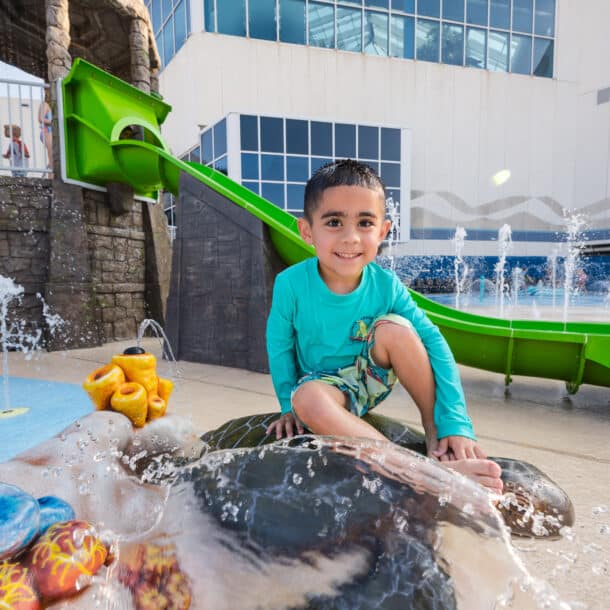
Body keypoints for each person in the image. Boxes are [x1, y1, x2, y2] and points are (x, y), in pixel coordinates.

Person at [266, 160, 502, 492]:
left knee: (398, 329)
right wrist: (286, 405)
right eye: (334, 222)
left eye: (365, 223)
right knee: (306, 399)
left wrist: (456, 421)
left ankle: (437, 440)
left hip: (368, 376)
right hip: (324, 388)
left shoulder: (386, 285)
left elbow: (433, 341)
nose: (351, 238)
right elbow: (279, 344)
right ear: (307, 231)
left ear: (383, 231)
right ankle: (411, 469)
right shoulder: (290, 284)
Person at [38, 88, 53, 176]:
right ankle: (51, 179)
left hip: (51, 132)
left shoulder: (52, 106)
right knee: (52, 158)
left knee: (54, 159)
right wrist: (53, 122)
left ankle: (47, 175)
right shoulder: (45, 104)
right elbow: (41, 118)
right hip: (47, 131)